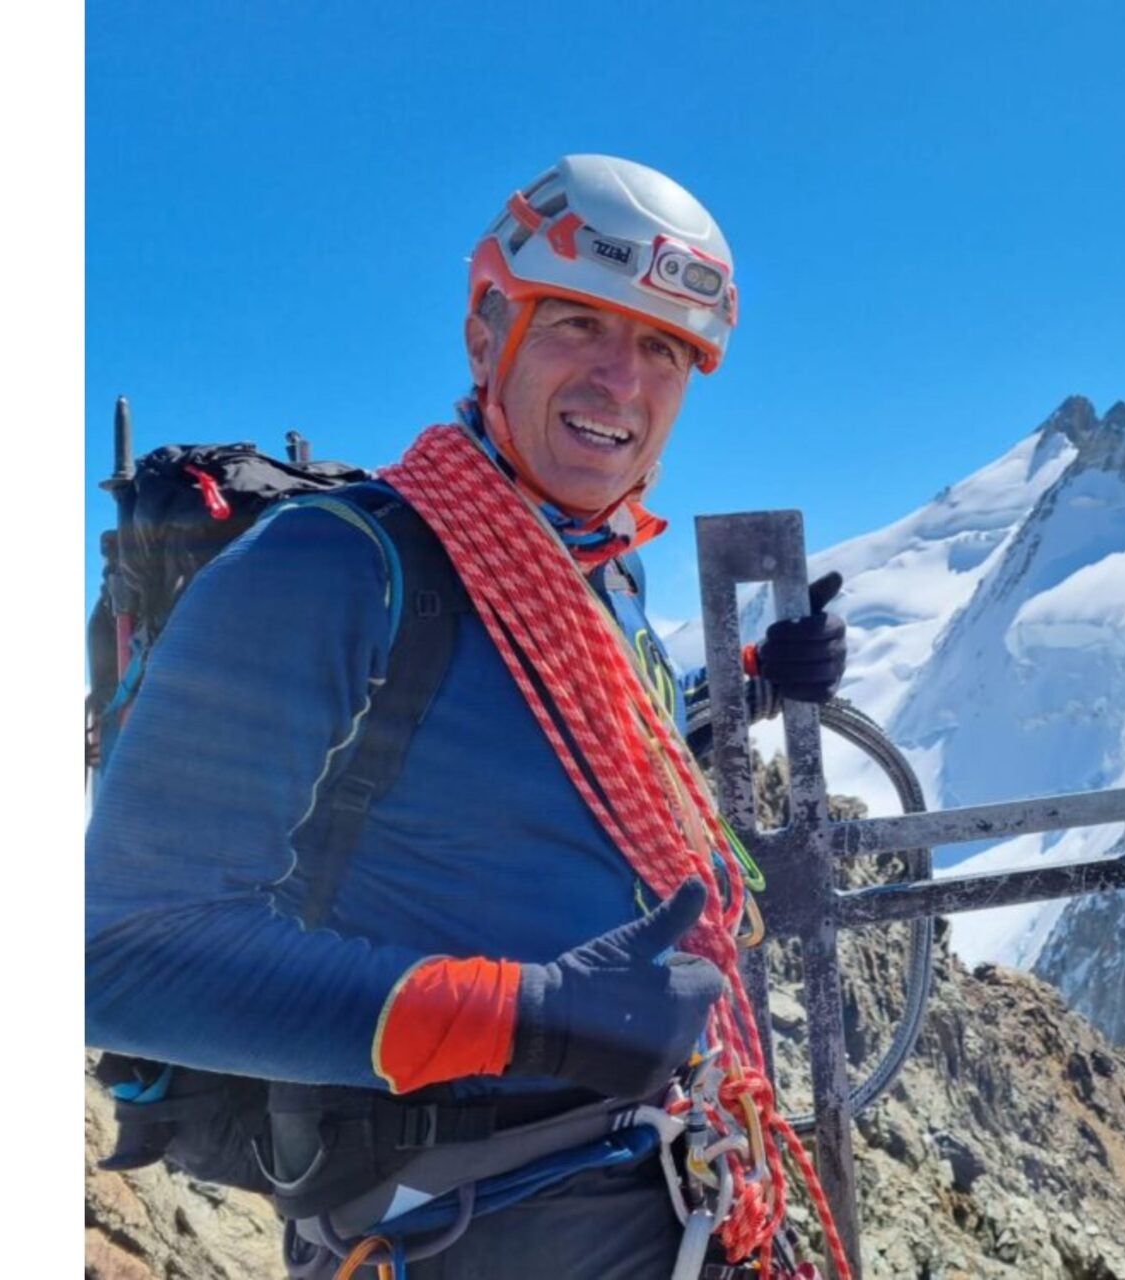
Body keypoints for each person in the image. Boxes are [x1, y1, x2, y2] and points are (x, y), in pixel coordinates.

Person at [86, 154, 847, 1279]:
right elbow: (117, 957)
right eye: (580, 323)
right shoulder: (329, 570)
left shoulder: (597, 579)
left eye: (663, 348)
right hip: (457, 1227)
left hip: (655, 1185)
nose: (620, 382)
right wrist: (528, 1013)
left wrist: (748, 680)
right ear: (487, 329)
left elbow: (580, 774)